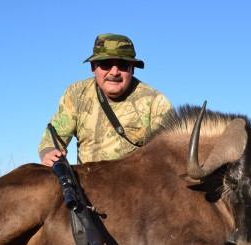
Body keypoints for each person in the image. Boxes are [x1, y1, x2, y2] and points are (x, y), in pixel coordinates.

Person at [39, 33, 176, 166]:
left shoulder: (156, 101)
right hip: (87, 184)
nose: (114, 72)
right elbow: (53, 138)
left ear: (132, 69)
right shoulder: (76, 94)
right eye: (106, 64)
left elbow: (171, 151)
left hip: (138, 186)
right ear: (93, 67)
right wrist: (49, 153)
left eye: (123, 66)